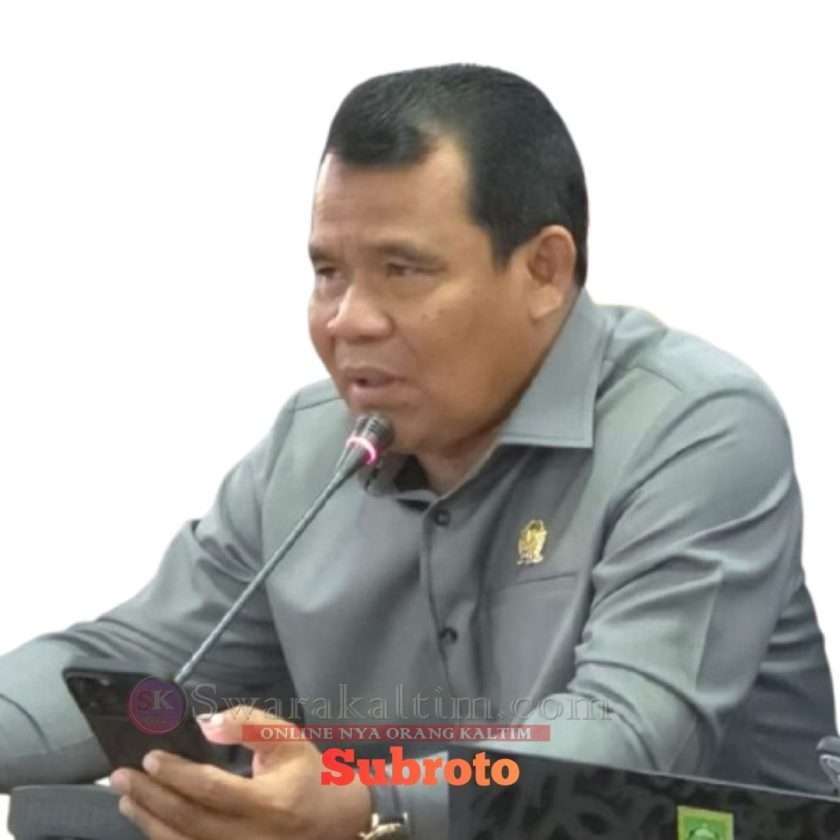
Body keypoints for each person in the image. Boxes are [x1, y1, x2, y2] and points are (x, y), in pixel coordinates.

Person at [0, 62, 835, 839]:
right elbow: (132, 666)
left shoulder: (694, 427)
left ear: (545, 271)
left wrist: (367, 801)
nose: (349, 319)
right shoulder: (309, 449)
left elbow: (622, 739)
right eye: (328, 272)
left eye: (402, 270)